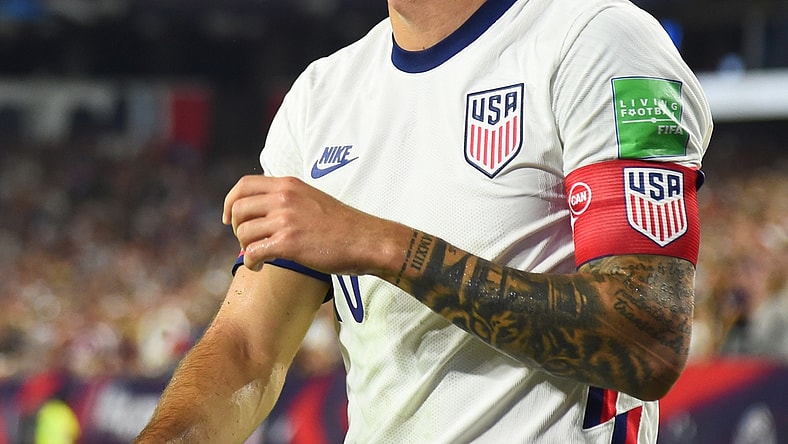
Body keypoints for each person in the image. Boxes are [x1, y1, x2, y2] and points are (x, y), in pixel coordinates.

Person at [135, 0, 713, 442]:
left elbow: (647, 337)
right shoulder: (321, 97)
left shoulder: (600, 38)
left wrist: (378, 244)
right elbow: (246, 350)